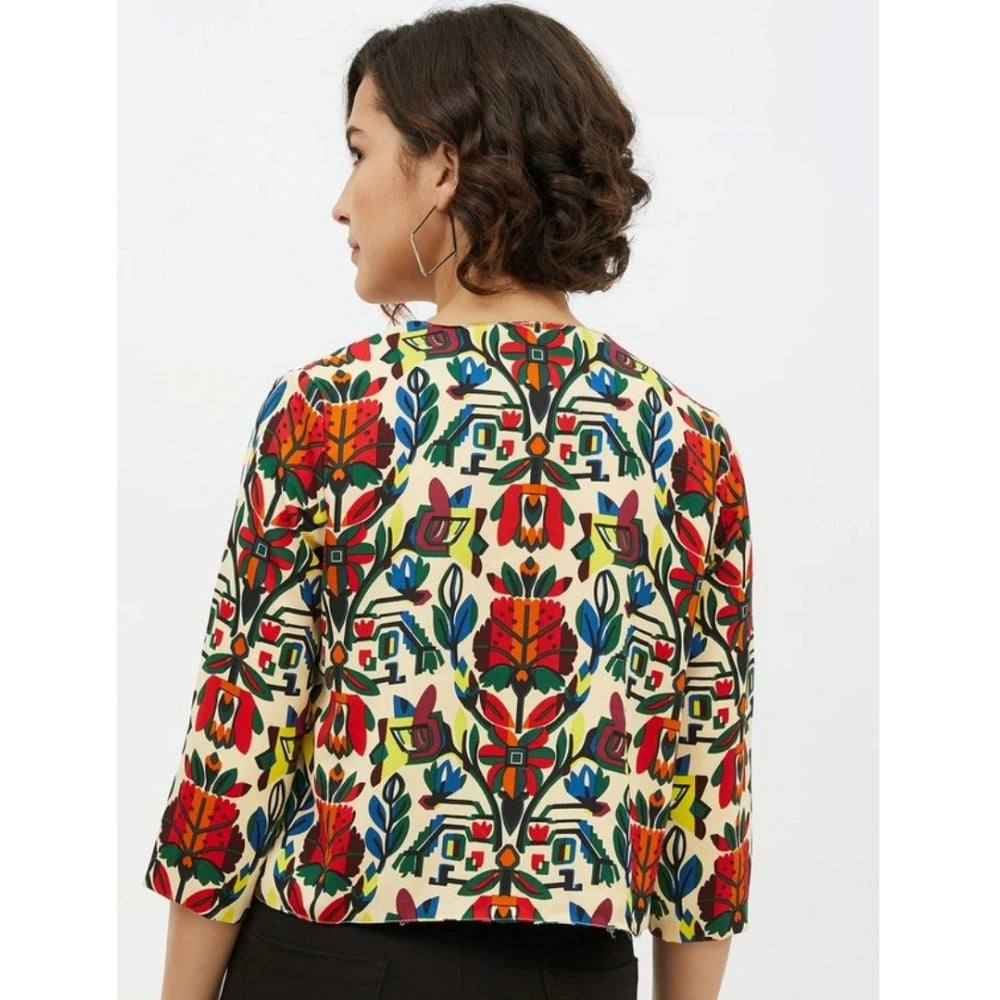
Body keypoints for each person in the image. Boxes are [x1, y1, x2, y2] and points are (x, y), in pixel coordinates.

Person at [142, 4, 755, 999]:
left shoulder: (331, 410)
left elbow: (239, 743)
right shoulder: (689, 443)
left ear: (443, 166)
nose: (340, 202)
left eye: (359, 152)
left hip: (332, 963)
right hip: (576, 975)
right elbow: (705, 794)